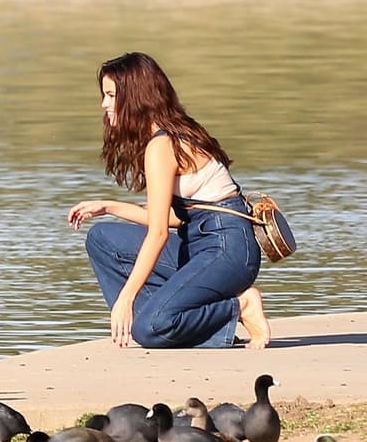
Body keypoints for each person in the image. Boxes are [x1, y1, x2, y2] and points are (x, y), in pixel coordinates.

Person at [67, 52, 270, 350]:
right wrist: (109, 207)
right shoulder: (166, 137)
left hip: (229, 251)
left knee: (150, 328)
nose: (104, 104)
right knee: (101, 238)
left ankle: (238, 308)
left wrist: (126, 297)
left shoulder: (163, 145)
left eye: (111, 95)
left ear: (135, 96)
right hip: (201, 243)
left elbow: (160, 233)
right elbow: (175, 219)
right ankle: (168, 325)